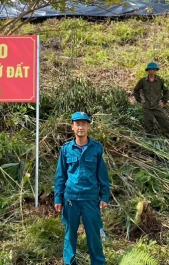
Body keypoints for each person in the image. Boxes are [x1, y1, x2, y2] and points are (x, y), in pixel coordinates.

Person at [54, 111, 110, 265]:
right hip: (71, 198)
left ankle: (98, 262)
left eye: (84, 124)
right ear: (72, 127)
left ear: (88, 127)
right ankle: (69, 262)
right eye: (78, 124)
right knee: (70, 235)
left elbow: (102, 175)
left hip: (90, 199)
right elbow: (61, 175)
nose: (81, 127)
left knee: (94, 236)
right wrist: (58, 198)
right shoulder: (66, 149)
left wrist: (104, 196)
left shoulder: (96, 148)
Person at [133, 62, 169, 140]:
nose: (152, 71)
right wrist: (140, 99)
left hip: (157, 106)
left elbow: (166, 91)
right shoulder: (142, 81)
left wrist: (163, 101)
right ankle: (151, 140)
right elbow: (136, 90)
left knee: (164, 122)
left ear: (156, 70)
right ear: (148, 71)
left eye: (153, 69)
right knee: (148, 124)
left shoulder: (160, 80)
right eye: (150, 69)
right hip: (147, 107)